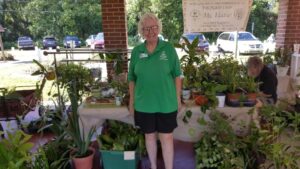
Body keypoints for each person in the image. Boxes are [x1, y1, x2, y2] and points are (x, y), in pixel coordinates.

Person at [128, 13, 182, 169]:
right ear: (141, 31)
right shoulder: (137, 51)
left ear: (159, 28)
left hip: (166, 103)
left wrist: (178, 98)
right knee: (149, 137)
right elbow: (131, 78)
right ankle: (153, 166)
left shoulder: (169, 49)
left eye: (153, 27)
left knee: (167, 138)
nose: (150, 32)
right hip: (144, 104)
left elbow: (177, 75)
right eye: (146, 29)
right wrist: (132, 101)